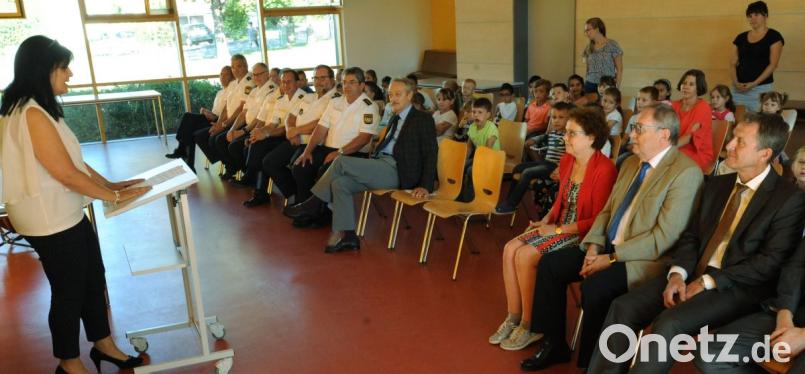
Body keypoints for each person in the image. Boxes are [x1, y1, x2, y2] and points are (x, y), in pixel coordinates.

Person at [589, 113, 805, 374]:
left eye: (740, 141)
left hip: (736, 286)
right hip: (693, 273)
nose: (728, 146)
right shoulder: (716, 184)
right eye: (732, 137)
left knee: (669, 324)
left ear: (764, 153)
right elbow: (692, 236)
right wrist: (677, 274)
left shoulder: (787, 198)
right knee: (623, 307)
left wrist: (707, 282)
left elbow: (769, 263)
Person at [0, 35, 150, 374]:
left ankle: (103, 344)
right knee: (68, 291)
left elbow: (72, 161)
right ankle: (68, 363)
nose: (70, 74)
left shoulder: (36, 106)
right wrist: (112, 197)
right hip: (49, 218)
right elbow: (66, 173)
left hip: (62, 213)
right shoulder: (32, 113)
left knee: (93, 278)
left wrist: (110, 185)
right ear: (45, 69)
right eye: (64, 67)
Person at [520, 104, 704, 371]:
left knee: (596, 287)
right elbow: (607, 211)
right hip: (607, 248)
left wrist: (612, 257)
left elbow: (663, 238)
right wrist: (594, 246)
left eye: (639, 129)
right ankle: (555, 343)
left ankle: (590, 364)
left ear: (664, 135)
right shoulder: (630, 163)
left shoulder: (685, 173)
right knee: (551, 265)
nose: (631, 135)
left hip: (643, 259)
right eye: (633, 128)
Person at [489, 107, 617, 351]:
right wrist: (546, 219)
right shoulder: (569, 159)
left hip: (579, 234)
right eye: (566, 132)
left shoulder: (605, 169)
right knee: (509, 248)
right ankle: (513, 317)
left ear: (591, 138)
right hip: (557, 226)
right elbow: (561, 200)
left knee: (525, 255)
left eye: (572, 133)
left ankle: (530, 325)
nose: (564, 137)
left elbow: (598, 221)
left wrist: (556, 231)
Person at [284, 78, 438, 252]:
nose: (393, 98)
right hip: (381, 164)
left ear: (410, 95)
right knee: (339, 184)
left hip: (398, 171)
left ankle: (312, 204)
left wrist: (426, 185)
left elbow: (430, 153)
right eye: (390, 94)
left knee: (340, 160)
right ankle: (348, 237)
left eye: (398, 94)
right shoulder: (396, 118)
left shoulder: (422, 119)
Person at [282, 67, 378, 226]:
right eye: (345, 82)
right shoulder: (335, 102)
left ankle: (322, 213)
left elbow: (364, 139)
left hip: (353, 153)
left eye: (352, 82)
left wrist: (340, 153)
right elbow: (321, 129)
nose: (347, 86)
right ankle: (308, 210)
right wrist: (307, 151)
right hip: (328, 148)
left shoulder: (369, 106)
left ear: (362, 85)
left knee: (324, 170)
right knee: (301, 164)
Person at [695, 239, 805, 373]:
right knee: (708, 355)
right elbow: (796, 267)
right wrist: (784, 316)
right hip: (794, 310)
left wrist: (802, 337)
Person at [246, 65, 340, 209]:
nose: (319, 82)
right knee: (269, 161)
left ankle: (304, 204)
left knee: (299, 167)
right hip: (295, 140)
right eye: (316, 78)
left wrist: (296, 131)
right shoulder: (309, 96)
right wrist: (291, 131)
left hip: (314, 143)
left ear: (332, 79)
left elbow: (321, 123)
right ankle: (293, 195)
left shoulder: (336, 99)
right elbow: (290, 116)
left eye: (323, 78)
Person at [497, 102, 574, 214]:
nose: (556, 120)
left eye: (561, 117)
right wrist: (534, 140)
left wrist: (560, 168)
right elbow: (545, 136)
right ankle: (509, 200)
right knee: (518, 168)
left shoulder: (568, 136)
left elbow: (570, 156)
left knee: (528, 173)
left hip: (556, 167)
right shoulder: (554, 132)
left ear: (570, 119)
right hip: (547, 163)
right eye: (554, 117)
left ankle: (512, 204)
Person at [193, 54, 253, 179]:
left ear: (246, 66)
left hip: (239, 122)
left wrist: (224, 125)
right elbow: (226, 107)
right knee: (207, 137)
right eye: (233, 67)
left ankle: (234, 168)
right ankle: (230, 164)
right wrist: (219, 123)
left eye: (239, 66)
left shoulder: (249, 82)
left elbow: (241, 108)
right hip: (228, 121)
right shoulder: (234, 83)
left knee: (218, 139)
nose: (235, 70)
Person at [165, 65, 234, 171]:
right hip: (211, 118)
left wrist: (214, 117)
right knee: (189, 130)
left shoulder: (232, 91)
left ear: (232, 77)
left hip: (219, 122)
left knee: (188, 117)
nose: (222, 77)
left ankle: (181, 150)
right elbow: (216, 111)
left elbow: (228, 112)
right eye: (221, 74)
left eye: (226, 75)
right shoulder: (220, 92)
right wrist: (207, 112)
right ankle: (189, 164)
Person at [222, 62, 275, 183]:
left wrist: (243, 131)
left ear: (267, 74)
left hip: (261, 128)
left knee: (237, 146)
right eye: (254, 74)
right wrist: (232, 130)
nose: (255, 77)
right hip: (249, 125)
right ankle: (245, 174)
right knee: (225, 140)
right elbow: (243, 112)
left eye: (259, 74)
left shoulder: (271, 91)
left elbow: (260, 118)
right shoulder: (254, 90)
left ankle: (250, 177)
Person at [731, 1, 785, 112]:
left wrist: (754, 83)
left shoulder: (774, 36)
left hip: (761, 88)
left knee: (758, 123)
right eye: (750, 16)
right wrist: (735, 82)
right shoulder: (740, 37)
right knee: (736, 122)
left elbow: (773, 64)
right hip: (738, 88)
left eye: (756, 15)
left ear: (765, 15)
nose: (752, 19)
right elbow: (732, 63)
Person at [672, 69, 715, 173]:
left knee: (663, 160)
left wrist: (666, 149)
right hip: (676, 148)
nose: (686, 86)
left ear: (698, 88)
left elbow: (688, 137)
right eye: (684, 83)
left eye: (691, 84)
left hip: (697, 153)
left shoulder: (703, 107)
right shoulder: (674, 105)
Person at [617, 86, 659, 168]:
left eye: (644, 100)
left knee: (619, 162)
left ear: (654, 103)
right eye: (638, 99)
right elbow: (625, 138)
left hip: (638, 151)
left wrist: (631, 147)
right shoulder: (633, 118)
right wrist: (619, 147)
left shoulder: (653, 121)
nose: (639, 102)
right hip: (628, 147)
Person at [581, 18, 623, 97]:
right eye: (585, 31)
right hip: (590, 84)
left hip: (606, 85)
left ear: (597, 29)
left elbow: (619, 69)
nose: (586, 33)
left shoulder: (612, 45)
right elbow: (587, 69)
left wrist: (617, 88)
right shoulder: (588, 47)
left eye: (588, 30)